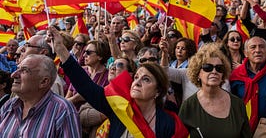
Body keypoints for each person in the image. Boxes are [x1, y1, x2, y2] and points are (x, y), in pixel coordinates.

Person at [48, 26, 189, 138]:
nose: (137, 82)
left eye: (146, 79)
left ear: (158, 91)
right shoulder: (119, 107)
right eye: (136, 77)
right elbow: (85, 85)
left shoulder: (170, 124)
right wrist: (60, 49)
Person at [179, 43, 251, 137]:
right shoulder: (188, 106)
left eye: (219, 68)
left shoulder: (237, 104)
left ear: (223, 74)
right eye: (207, 67)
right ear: (198, 73)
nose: (214, 71)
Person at [0, 54, 81, 137]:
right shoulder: (9, 106)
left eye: (24, 70)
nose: (13, 75)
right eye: (17, 69)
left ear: (44, 82)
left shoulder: (63, 111)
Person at [230, 36, 266, 131]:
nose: (258, 50)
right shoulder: (236, 75)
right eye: (253, 47)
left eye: (261, 47)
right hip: (242, 128)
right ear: (245, 53)